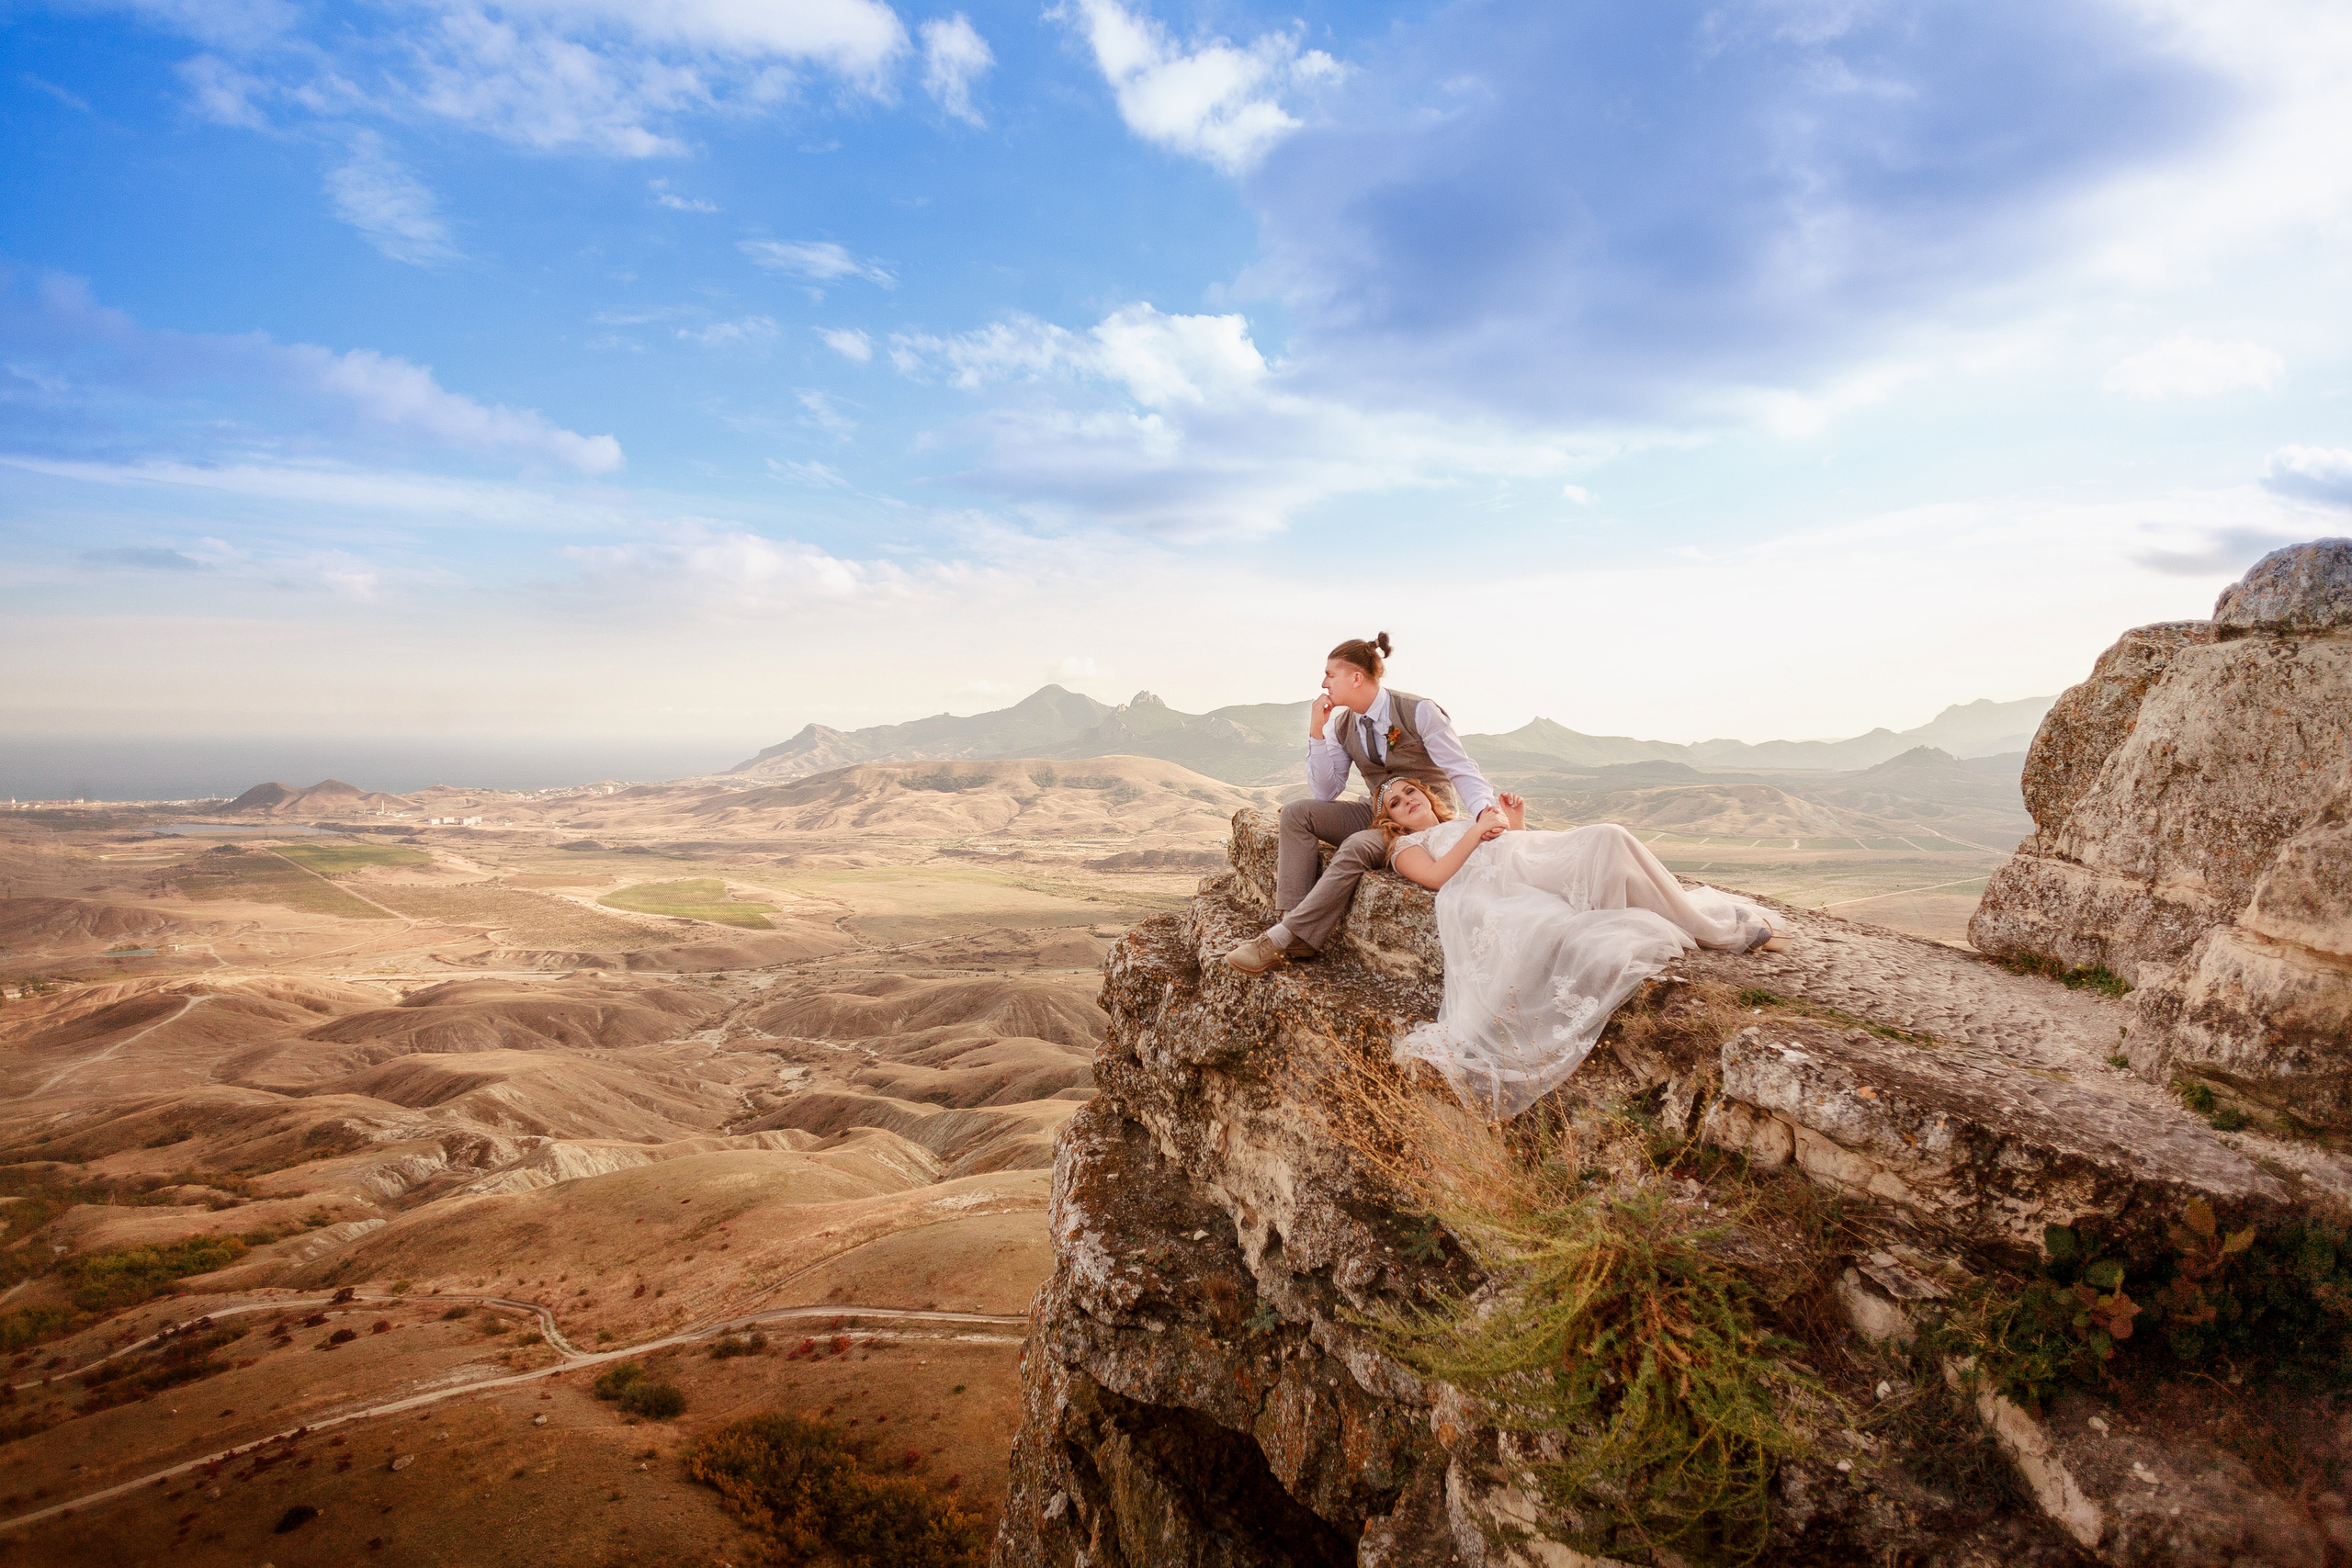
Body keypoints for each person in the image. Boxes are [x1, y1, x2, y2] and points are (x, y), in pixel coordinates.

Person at [1376, 775, 1781, 1120]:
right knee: (1608, 847)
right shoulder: (1408, 846)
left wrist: (1514, 824)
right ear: (1391, 819)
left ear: (1428, 795)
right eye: (1396, 802)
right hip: (1503, 887)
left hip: (1528, 863)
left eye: (1411, 792)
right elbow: (1434, 877)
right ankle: (1717, 932)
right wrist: (1476, 832)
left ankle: (1700, 920)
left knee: (1610, 837)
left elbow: (1508, 848)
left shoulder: (1466, 820)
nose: (1407, 801)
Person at [1223, 633, 1501, 976]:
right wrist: (1317, 731)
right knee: (1298, 812)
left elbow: (1460, 768)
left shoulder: (1420, 711)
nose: (1323, 682)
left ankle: (1284, 939)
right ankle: (1292, 925)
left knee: (1357, 845)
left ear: (1356, 678)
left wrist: (1485, 813)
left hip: (1422, 815)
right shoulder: (1341, 724)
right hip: (1379, 810)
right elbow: (1326, 792)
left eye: (1330, 674)